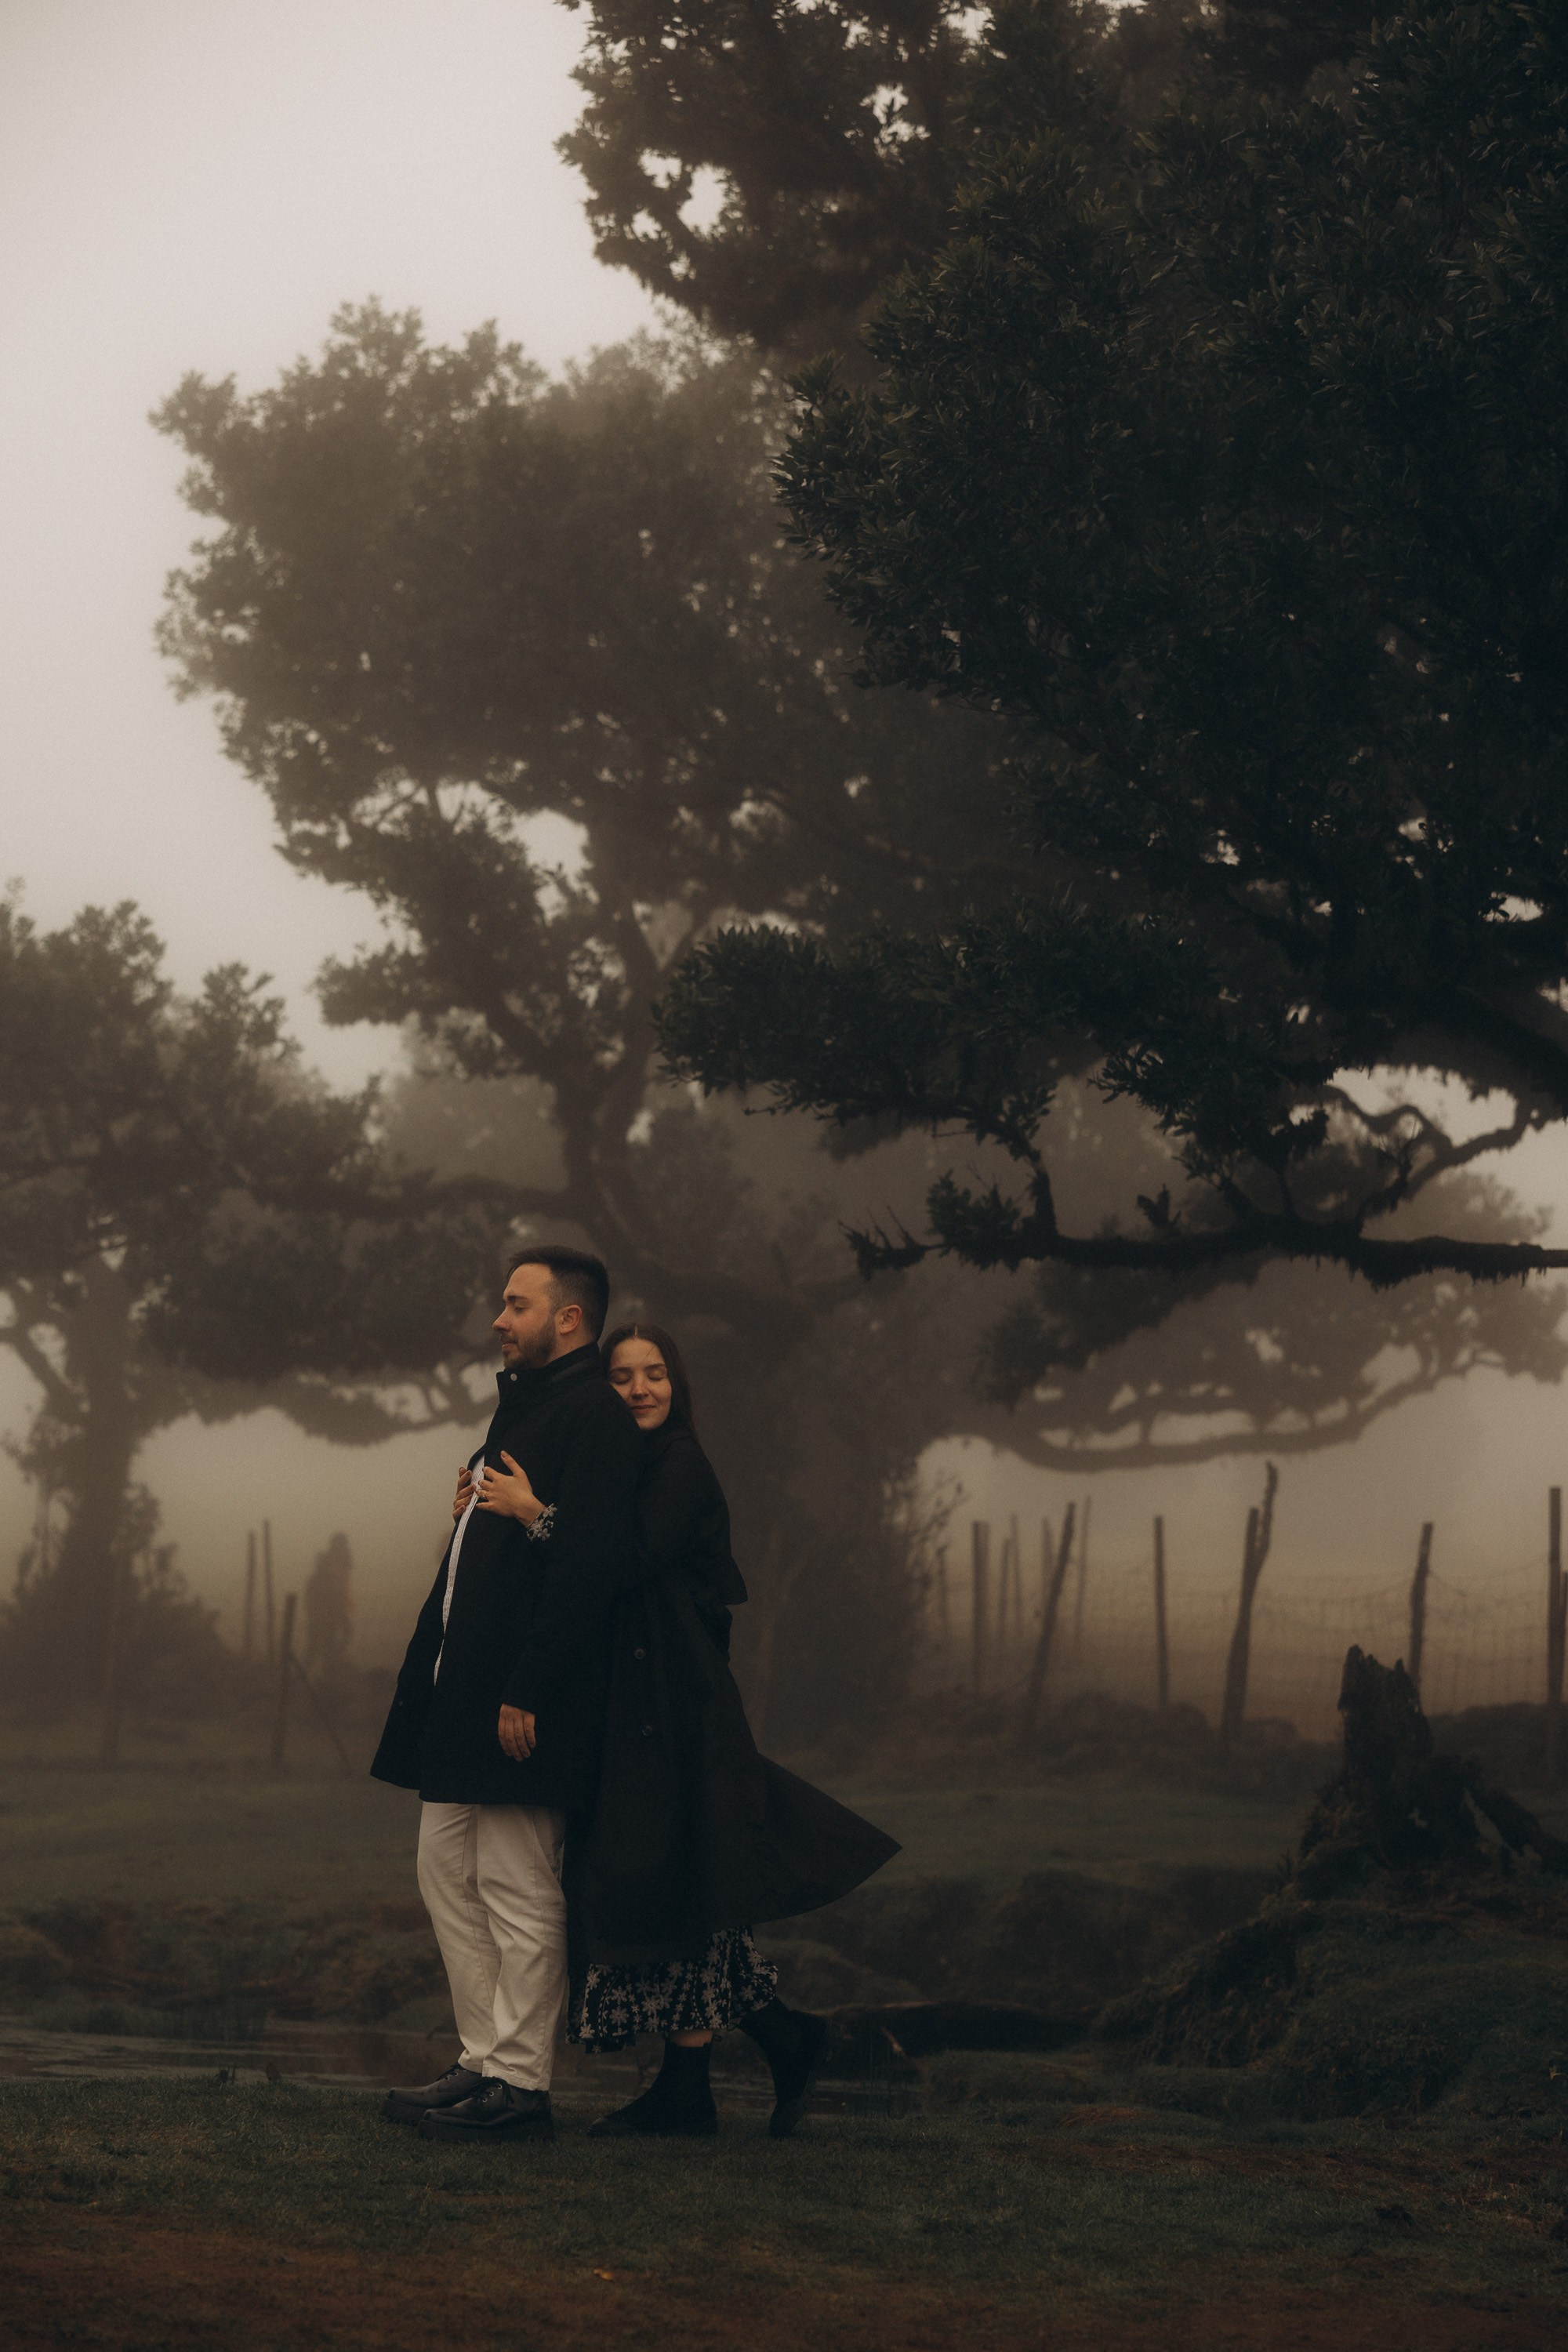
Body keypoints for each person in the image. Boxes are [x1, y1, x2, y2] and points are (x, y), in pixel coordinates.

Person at [477, 1319, 899, 2139]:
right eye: (622, 1377)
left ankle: (728, 2068)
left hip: (677, 1711)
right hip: (639, 1710)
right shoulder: (624, 1464)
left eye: (655, 1374)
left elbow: (619, 1563)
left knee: (686, 1878)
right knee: (674, 1883)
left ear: (678, 1386)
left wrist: (535, 1514)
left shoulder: (679, 1468)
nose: (640, 1389)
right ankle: (740, 2061)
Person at [372, 1247, 641, 2145]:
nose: (498, 1318)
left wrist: (529, 1686)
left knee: (518, 1887)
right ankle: (484, 2059)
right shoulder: (524, 1407)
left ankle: (521, 2090)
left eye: (516, 1304)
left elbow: (590, 1567)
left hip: (527, 1700)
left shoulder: (592, 1415)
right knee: (445, 1870)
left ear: (568, 1318)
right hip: (465, 1696)